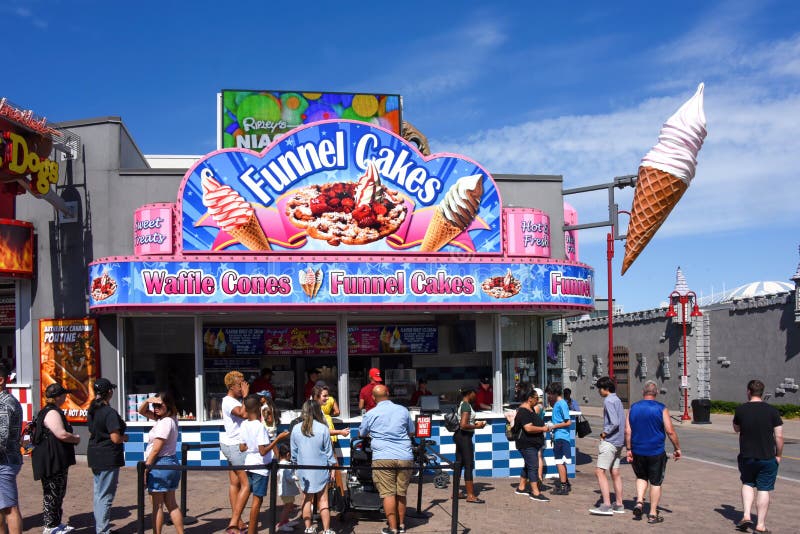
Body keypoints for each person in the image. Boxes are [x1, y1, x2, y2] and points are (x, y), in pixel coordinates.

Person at [359, 384, 415, 534]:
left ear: (373, 397)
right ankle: (402, 525)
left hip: (382, 457)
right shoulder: (403, 410)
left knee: (388, 493)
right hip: (404, 455)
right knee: (401, 492)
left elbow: (362, 433)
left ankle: (393, 527)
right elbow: (411, 431)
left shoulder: (371, 413)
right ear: (388, 394)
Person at [625, 380, 681, 524]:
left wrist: (629, 449)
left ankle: (639, 502)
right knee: (655, 482)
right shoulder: (661, 408)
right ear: (656, 393)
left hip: (638, 450)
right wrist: (677, 448)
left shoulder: (633, 408)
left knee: (641, 477)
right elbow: (670, 431)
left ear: (643, 392)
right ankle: (652, 513)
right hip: (655, 451)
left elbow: (628, 431)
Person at [732, 379, 783, 534]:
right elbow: (779, 437)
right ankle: (760, 525)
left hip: (747, 456)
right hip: (767, 456)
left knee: (747, 483)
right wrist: (778, 455)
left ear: (749, 391)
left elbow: (736, 429)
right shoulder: (773, 411)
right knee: (764, 488)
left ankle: (746, 515)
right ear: (762, 392)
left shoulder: (741, 409)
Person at [31, 383, 80, 534]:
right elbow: (61, 434)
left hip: (53, 458)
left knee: (57, 491)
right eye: (64, 394)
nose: (66, 396)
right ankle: (50, 526)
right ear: (57, 396)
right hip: (52, 459)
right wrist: (76, 438)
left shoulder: (48, 411)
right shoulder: (52, 412)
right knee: (52, 491)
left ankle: (56, 523)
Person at [238, 395, 288, 534]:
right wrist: (277, 439)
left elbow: (242, 447)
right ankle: (252, 531)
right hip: (260, 467)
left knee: (250, 496)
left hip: (249, 464)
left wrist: (252, 445)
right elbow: (263, 451)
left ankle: (242, 525)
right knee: (257, 501)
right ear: (258, 408)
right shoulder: (259, 427)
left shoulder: (244, 424)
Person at [87, 378, 128, 534]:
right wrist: (125, 438)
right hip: (108, 456)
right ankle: (103, 530)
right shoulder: (109, 412)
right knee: (106, 496)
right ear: (109, 392)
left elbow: (92, 431)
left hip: (95, 454)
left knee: (99, 494)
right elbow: (115, 438)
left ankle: (101, 528)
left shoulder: (92, 409)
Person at [139, 391, 184, 534]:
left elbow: (156, 449)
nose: (155, 408)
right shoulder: (169, 419)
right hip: (170, 462)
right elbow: (142, 411)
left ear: (168, 405)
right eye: (154, 405)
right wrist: (148, 401)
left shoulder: (165, 422)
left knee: (157, 506)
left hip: (160, 464)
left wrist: (146, 468)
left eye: (159, 405)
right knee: (171, 504)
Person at [290, 400, 336, 534]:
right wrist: (332, 469)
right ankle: (327, 530)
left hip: (303, 469)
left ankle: (308, 528)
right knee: (323, 501)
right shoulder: (323, 428)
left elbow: (294, 453)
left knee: (306, 500)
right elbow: (329, 452)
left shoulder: (296, 429)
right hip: (321, 468)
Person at [589, 376, 625, 515]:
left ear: (606, 389)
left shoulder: (609, 400)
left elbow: (614, 422)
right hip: (619, 441)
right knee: (615, 472)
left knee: (600, 471)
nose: (599, 391)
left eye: (600, 388)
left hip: (610, 441)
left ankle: (606, 504)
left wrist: (605, 433)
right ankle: (619, 503)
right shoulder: (617, 399)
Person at [220, 371, 250, 534]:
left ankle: (238, 520)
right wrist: (246, 396)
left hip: (231, 445)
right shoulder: (229, 401)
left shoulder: (232, 401)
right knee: (247, 484)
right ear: (231, 386)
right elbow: (244, 414)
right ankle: (233, 524)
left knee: (235, 483)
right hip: (236, 446)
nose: (243, 387)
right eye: (240, 384)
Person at [512, 387, 549, 502]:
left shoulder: (530, 409)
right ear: (529, 399)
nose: (538, 401)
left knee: (528, 465)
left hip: (531, 443)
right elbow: (528, 428)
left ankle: (521, 487)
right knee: (533, 466)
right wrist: (543, 428)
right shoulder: (523, 411)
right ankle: (535, 492)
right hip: (526, 443)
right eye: (536, 398)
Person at [453, 387, 487, 503]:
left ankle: (456, 492)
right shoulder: (466, 405)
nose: (475, 395)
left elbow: (464, 422)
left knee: (459, 463)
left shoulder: (462, 404)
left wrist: (473, 424)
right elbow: (463, 424)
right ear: (469, 393)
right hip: (464, 437)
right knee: (468, 465)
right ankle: (471, 495)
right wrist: (478, 426)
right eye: (474, 393)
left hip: (460, 436)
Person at [0, 361, 23, 534]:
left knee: (10, 508)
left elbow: (2, 438)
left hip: (5, 461)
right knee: (2, 508)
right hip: (5, 460)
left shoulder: (5, 404)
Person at [545, 382, 572, 495]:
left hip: (561, 436)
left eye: (549, 394)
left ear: (554, 393)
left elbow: (568, 422)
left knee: (559, 461)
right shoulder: (558, 403)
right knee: (561, 461)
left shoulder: (561, 404)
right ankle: (565, 482)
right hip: (558, 436)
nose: (548, 396)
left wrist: (554, 426)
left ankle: (563, 486)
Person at [276, 444, 300, 532]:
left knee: (289, 505)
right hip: (286, 491)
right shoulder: (285, 465)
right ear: (288, 454)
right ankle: (282, 523)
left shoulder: (280, 464)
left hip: (286, 490)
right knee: (287, 506)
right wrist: (296, 477)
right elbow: (289, 478)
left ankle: (285, 521)